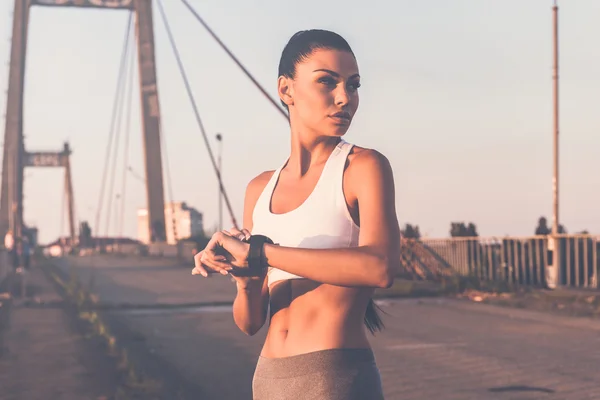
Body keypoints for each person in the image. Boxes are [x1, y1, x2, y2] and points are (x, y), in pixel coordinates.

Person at [193, 29, 400, 400]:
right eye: (327, 82)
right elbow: (250, 322)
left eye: (353, 85)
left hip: (334, 377)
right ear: (286, 90)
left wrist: (261, 252)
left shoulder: (362, 167)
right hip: (268, 378)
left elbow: (380, 267)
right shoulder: (259, 189)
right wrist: (242, 274)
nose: (344, 98)